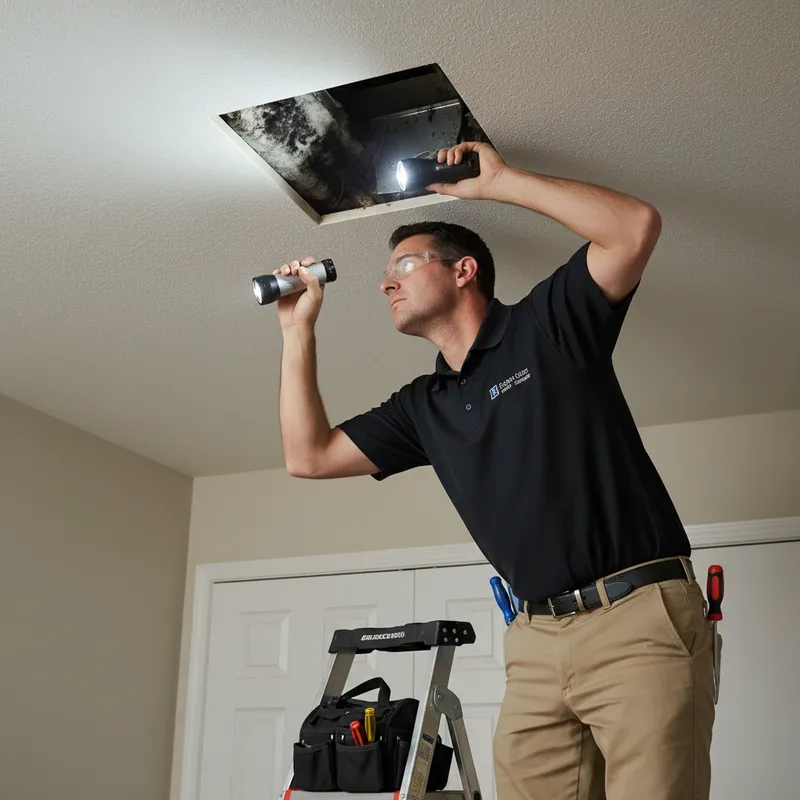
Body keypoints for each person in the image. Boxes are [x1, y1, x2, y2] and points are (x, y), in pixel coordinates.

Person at [273, 141, 716, 800]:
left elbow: (634, 228)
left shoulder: (547, 326)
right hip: (535, 640)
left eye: (404, 264)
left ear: (463, 271)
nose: (386, 282)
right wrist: (296, 331)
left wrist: (501, 181)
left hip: (636, 620)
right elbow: (307, 457)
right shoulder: (425, 406)